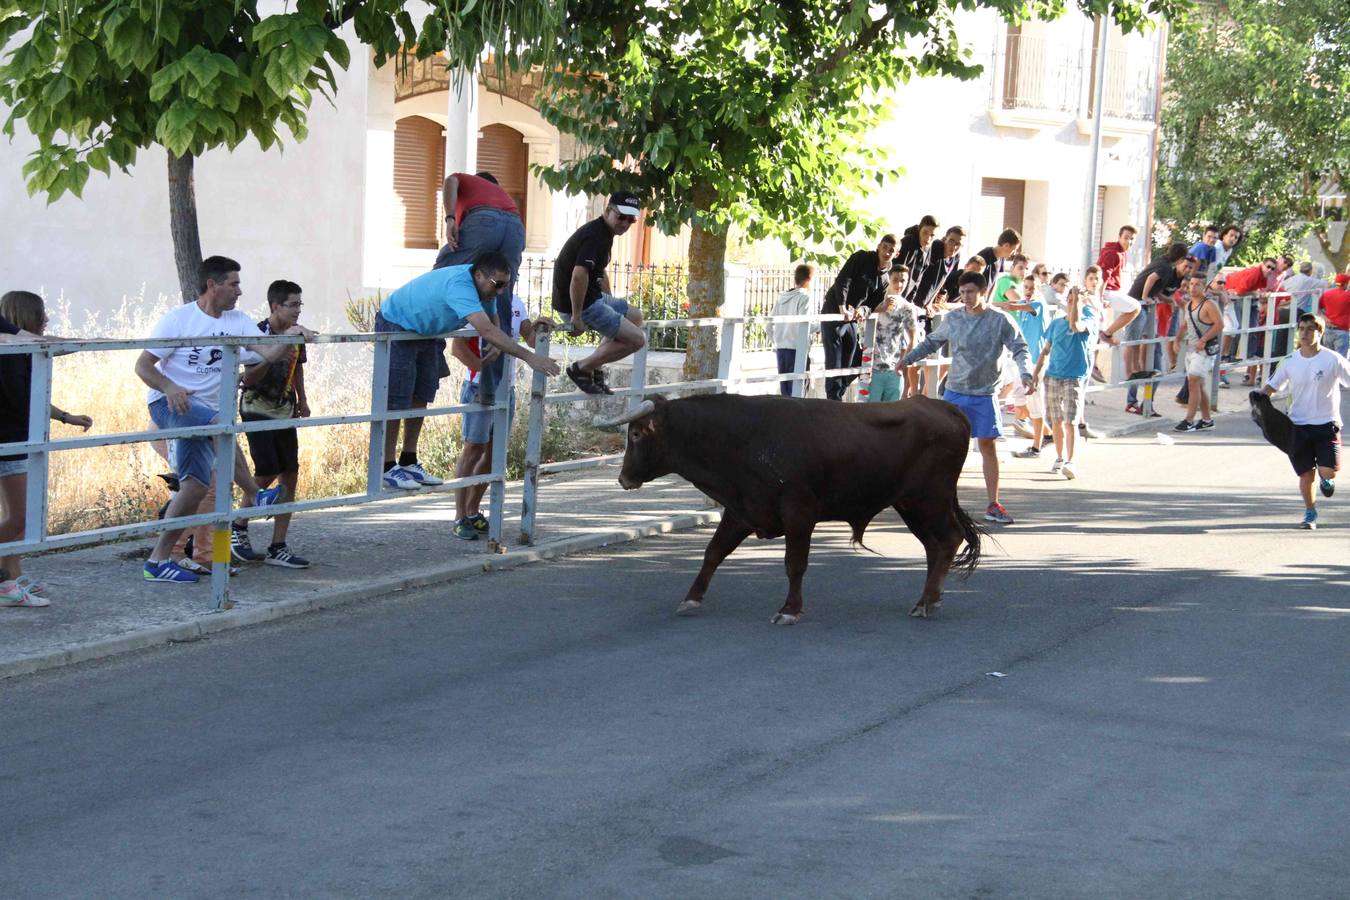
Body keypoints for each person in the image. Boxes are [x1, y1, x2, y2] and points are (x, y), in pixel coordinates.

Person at [133, 256, 312, 584]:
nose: (240, 291)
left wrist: (291, 335)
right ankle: (249, 503)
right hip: (173, 408)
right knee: (218, 442)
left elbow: (265, 355)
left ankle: (163, 561)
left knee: (197, 490)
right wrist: (170, 386)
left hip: (208, 419)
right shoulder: (179, 320)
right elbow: (143, 366)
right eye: (234, 284)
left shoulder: (238, 321)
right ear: (212, 285)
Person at [378, 251, 561, 490]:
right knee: (397, 398)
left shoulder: (486, 288)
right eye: (498, 285)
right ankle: (387, 466)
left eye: (506, 285)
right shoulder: (461, 286)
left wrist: (498, 341)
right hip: (398, 325)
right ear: (478, 275)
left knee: (422, 395)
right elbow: (485, 330)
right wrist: (530, 358)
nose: (501, 291)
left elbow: (493, 319)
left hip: (427, 332)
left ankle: (409, 460)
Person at [900, 271, 1032, 525]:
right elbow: (932, 342)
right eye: (962, 293)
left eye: (970, 292)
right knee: (945, 449)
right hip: (955, 391)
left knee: (987, 446)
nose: (966, 297)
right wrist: (908, 359)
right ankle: (940, 503)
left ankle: (993, 503)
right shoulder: (953, 318)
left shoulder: (1000, 320)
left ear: (983, 292)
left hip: (984, 393)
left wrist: (1025, 373)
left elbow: (1020, 347)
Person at [0, 291, 93, 607]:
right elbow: (24, 399)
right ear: (28, 316)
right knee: (20, 521)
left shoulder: (22, 350)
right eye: (42, 314)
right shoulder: (11, 354)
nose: (47, 319)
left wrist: (65, 416)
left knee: (14, 518)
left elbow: (31, 395)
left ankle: (11, 582)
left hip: (15, 440)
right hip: (11, 442)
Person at [435, 170, 528, 434]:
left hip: (485, 223)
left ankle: (429, 349)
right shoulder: (503, 197)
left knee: (441, 278)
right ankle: (489, 390)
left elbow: (450, 181)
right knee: (500, 295)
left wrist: (451, 218)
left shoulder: (467, 185)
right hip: (516, 227)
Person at [234, 280, 314, 569]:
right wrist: (275, 351)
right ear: (275, 306)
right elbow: (249, 379)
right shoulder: (257, 333)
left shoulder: (296, 334)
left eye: (299, 305)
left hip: (284, 408)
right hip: (256, 406)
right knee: (266, 470)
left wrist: (302, 399)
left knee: (290, 473)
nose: (297, 311)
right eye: (292, 305)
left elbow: (298, 369)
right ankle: (237, 526)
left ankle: (278, 545)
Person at [449, 289, 539, 540]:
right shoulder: (476, 304)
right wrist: (483, 370)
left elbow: (530, 337)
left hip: (505, 389)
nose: (504, 284)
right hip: (478, 387)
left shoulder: (516, 301)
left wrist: (540, 326)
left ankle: (473, 510)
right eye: (499, 280)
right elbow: (457, 348)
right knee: (473, 450)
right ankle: (459, 517)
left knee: (494, 453)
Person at [1260, 313, 1350, 530]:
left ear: (1320, 333)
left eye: (1310, 329)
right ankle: (1310, 513)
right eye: (1302, 328)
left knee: (1328, 471)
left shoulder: (1333, 359)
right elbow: (1271, 387)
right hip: (1298, 426)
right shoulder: (1290, 361)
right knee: (1305, 473)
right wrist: (1259, 399)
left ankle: (1327, 480)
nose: (1305, 333)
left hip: (1327, 423)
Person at [553, 191, 647, 396]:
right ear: (608, 211)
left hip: (591, 297)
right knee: (638, 340)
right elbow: (579, 276)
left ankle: (595, 366)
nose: (625, 224)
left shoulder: (604, 233)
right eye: (621, 217)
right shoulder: (596, 235)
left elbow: (599, 271)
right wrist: (577, 317)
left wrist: (610, 301)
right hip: (579, 303)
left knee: (634, 316)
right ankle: (581, 368)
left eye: (631, 220)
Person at [1031, 286, 1099, 480]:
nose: (1071, 302)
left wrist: (1078, 301)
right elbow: (1046, 350)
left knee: (1070, 421)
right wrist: (1036, 374)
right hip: (1053, 376)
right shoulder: (1056, 323)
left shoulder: (1088, 319)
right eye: (1069, 299)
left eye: (1075, 299)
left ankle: (1070, 460)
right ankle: (1060, 457)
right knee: (1056, 421)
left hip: (1074, 377)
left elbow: (1076, 325)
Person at [820, 235, 896, 400]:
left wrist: (862, 310)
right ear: (879, 246)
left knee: (856, 356)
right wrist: (842, 306)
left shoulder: (884, 279)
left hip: (852, 317)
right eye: (885, 247)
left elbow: (873, 304)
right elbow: (843, 280)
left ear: (896, 253)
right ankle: (833, 398)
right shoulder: (861, 258)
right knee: (835, 357)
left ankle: (838, 391)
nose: (887, 252)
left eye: (891, 250)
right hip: (834, 310)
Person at [1123, 242, 1191, 414]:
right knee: (1135, 345)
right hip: (1145, 313)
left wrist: (1170, 301)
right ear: (1180, 260)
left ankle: (1146, 403)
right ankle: (1132, 387)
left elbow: (1157, 289)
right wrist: (1146, 296)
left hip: (1156, 330)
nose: (1188, 270)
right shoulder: (1166, 268)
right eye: (1186, 265)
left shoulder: (1167, 269)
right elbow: (1151, 279)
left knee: (1155, 369)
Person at [1171, 273, 1224, 432]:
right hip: (1191, 350)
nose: (1192, 288)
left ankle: (1189, 420)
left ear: (1204, 287)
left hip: (1204, 351)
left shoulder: (1209, 304)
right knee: (1199, 386)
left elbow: (1219, 324)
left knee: (1193, 383)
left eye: (1197, 285)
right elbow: (1184, 325)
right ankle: (1207, 420)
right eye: (1191, 284)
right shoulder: (1188, 305)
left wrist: (1204, 339)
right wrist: (1176, 340)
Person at [868, 265, 920, 402]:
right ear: (889, 279)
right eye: (895, 279)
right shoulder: (874, 301)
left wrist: (904, 362)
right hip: (870, 368)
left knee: (892, 416)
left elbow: (913, 338)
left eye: (903, 280)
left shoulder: (907, 307)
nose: (899, 284)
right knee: (868, 414)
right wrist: (880, 308)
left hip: (894, 369)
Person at [770, 264, 815, 397]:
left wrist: (776, 340)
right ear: (809, 279)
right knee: (798, 393)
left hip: (781, 349)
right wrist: (821, 326)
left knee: (785, 392)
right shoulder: (804, 298)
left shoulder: (781, 298)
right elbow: (805, 324)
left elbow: (769, 323)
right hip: (798, 349)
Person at [895, 216, 939, 304]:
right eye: (925, 232)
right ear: (919, 229)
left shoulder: (928, 250)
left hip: (906, 300)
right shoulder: (908, 242)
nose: (928, 238)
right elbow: (894, 273)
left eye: (932, 235)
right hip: (892, 298)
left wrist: (910, 302)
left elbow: (917, 281)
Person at [1096, 225, 1137, 293]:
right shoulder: (1112, 253)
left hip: (1115, 290)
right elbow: (1104, 275)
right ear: (1119, 237)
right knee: (1134, 304)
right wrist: (1101, 297)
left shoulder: (1122, 253)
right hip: (1106, 290)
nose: (1129, 241)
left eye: (1132, 239)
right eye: (1126, 238)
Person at [1318, 273, 1350, 357]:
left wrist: (1324, 317)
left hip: (1328, 330)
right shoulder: (1348, 296)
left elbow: (1318, 308)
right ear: (1346, 284)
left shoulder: (1327, 294)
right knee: (1340, 360)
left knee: (1328, 358)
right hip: (1341, 331)